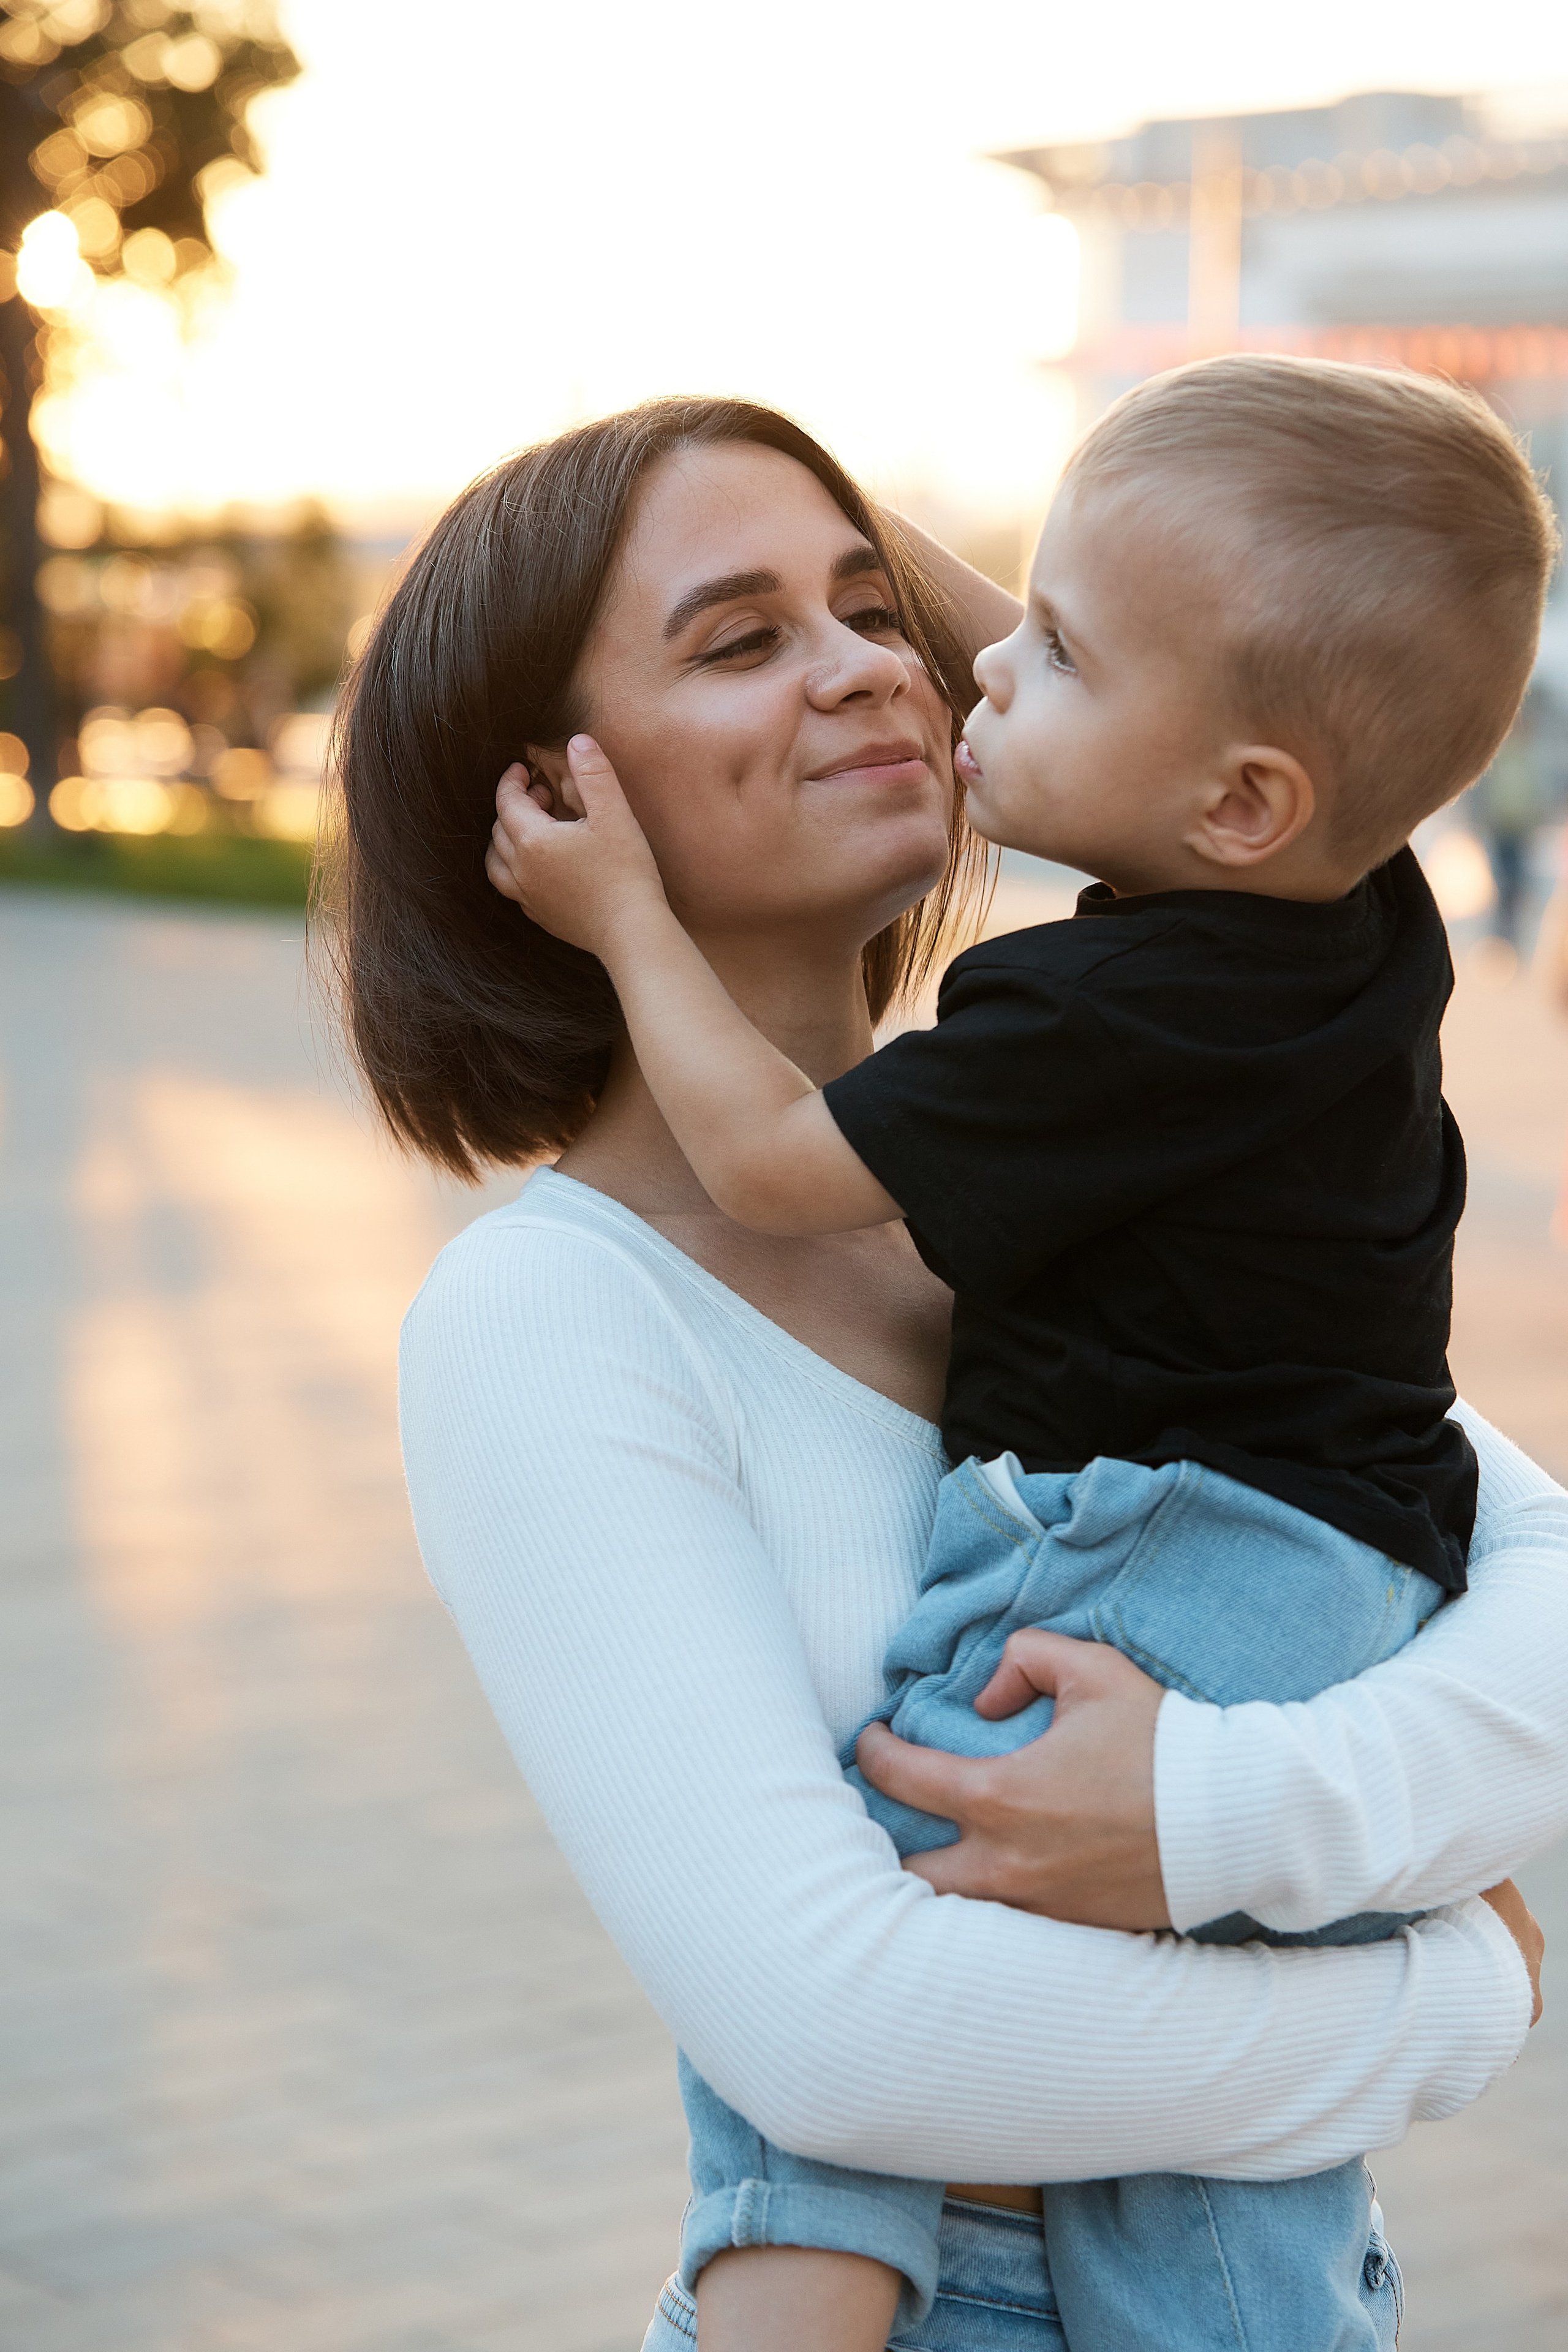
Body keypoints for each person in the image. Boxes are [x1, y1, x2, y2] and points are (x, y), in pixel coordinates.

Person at [326, 395, 1561, 2352]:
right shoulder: (553, 1312)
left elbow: (1538, 1596)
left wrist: (1212, 1813)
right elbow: (839, 2034)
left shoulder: (1125, 1152)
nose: (877, 670)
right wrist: (1451, 1995)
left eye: (872, 605)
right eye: (745, 638)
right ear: (551, 803)